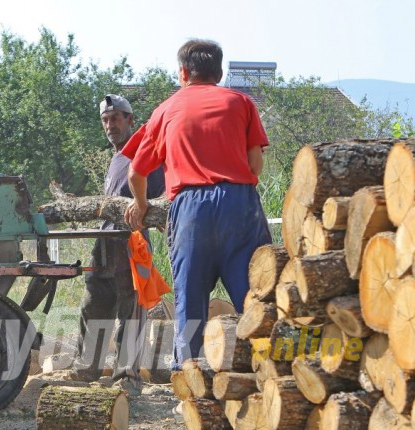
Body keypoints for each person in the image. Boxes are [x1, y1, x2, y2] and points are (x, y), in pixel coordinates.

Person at [124, 39, 272, 374]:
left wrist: (142, 204)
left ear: (183, 72)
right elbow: (255, 162)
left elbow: (136, 173)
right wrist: (238, 188)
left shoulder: (166, 110)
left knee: (189, 302)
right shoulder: (241, 102)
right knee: (256, 296)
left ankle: (187, 381)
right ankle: (272, 374)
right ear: (219, 72)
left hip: (190, 209)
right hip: (239, 202)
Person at [65, 94, 165, 394]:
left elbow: (159, 199)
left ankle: (126, 379)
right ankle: (86, 368)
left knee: (130, 309)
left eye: (115, 119)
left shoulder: (143, 153)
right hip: (104, 242)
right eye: (105, 120)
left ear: (129, 120)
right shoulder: (117, 157)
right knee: (94, 302)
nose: (110, 125)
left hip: (131, 244)